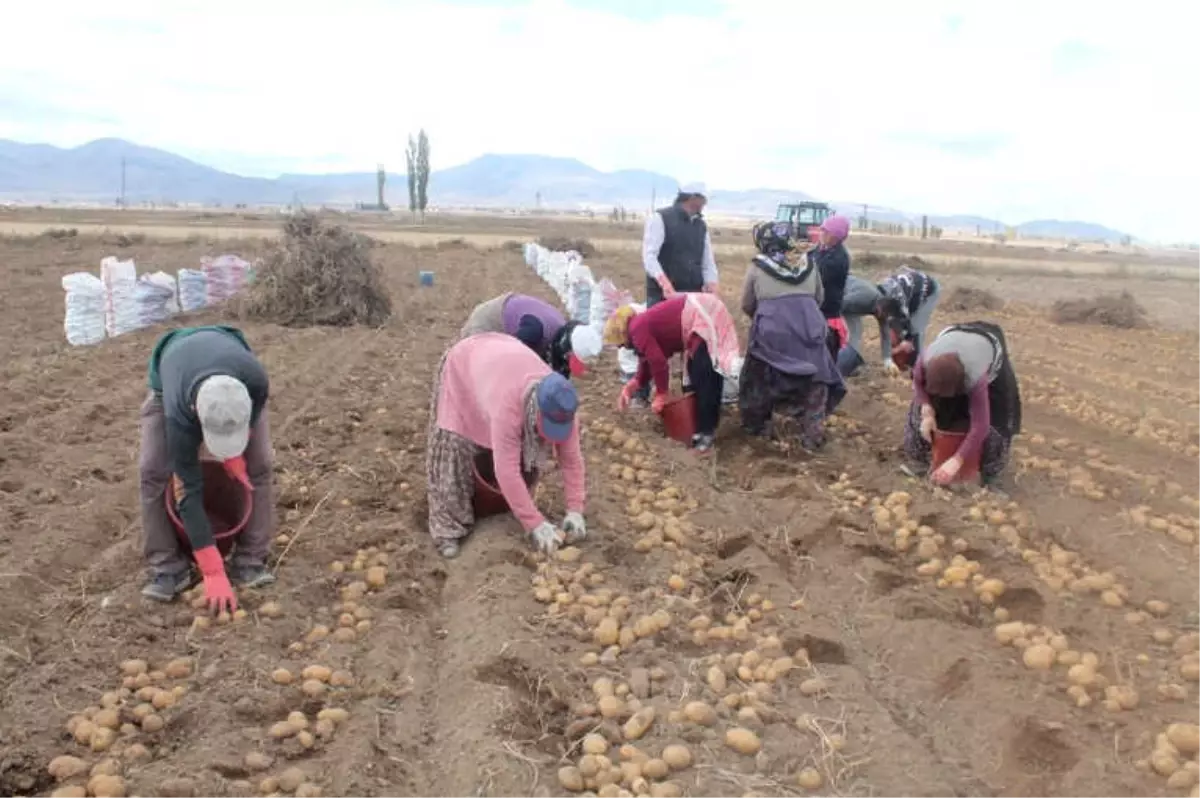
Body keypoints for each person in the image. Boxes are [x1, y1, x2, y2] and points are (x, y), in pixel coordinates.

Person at [140, 326, 275, 611]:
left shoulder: (256, 380)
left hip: (230, 370)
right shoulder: (178, 411)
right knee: (153, 470)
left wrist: (236, 453)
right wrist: (212, 570)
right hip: (170, 379)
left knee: (260, 464)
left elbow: (251, 418)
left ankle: (250, 561)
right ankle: (169, 568)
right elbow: (187, 488)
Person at [426, 332, 586, 559]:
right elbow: (507, 470)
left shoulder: (565, 406)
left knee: (512, 448)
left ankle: (498, 502)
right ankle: (447, 529)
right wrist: (535, 524)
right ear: (535, 410)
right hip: (467, 362)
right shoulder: (508, 407)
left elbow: (571, 460)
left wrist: (575, 510)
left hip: (503, 357)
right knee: (457, 443)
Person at [738, 221, 846, 450]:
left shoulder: (758, 266)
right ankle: (813, 434)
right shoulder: (809, 263)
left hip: (773, 331)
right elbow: (819, 298)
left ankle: (758, 426)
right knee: (816, 376)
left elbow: (747, 303)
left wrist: (766, 316)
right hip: (810, 326)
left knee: (757, 375)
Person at [604, 293, 743, 454]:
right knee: (696, 376)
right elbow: (647, 361)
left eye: (619, 343)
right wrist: (632, 386)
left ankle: (705, 433)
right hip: (697, 318)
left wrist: (661, 394)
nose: (621, 348)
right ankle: (700, 426)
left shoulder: (636, 328)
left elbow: (658, 363)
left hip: (702, 315)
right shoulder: (638, 327)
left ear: (621, 332)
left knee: (704, 375)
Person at [630, 182, 719, 405]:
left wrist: (712, 284)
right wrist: (663, 282)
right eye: (703, 199)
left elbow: (707, 260)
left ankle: (689, 395)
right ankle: (642, 392)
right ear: (692, 197)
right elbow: (649, 256)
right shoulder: (660, 219)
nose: (705, 204)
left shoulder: (701, 226)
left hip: (692, 296)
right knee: (651, 346)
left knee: (693, 347)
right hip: (662, 295)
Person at [904, 322, 1022, 488]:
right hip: (952, 335)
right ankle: (920, 463)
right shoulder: (924, 362)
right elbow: (918, 385)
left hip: (987, 345)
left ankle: (991, 478)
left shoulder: (975, 377)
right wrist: (927, 410)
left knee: (999, 421)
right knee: (918, 413)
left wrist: (956, 461)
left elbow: (981, 425)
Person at [459, 292, 603, 377]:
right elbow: (508, 358)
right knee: (487, 372)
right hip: (490, 320)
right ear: (567, 349)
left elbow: (558, 374)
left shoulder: (561, 336)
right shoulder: (535, 332)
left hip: (520, 322)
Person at [840, 265, 941, 376]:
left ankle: (917, 366)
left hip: (930, 289)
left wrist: (887, 360)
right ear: (879, 308)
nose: (883, 320)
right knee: (854, 330)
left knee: (917, 328)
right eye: (882, 316)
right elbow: (836, 305)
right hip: (838, 290)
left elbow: (886, 333)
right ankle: (844, 363)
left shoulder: (890, 307)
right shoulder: (863, 298)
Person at [810, 215, 853, 363]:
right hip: (816, 311)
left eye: (826, 232)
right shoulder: (821, 250)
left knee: (826, 361)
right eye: (822, 230)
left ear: (836, 236)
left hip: (827, 316)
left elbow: (815, 276)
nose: (822, 234)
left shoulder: (838, 259)